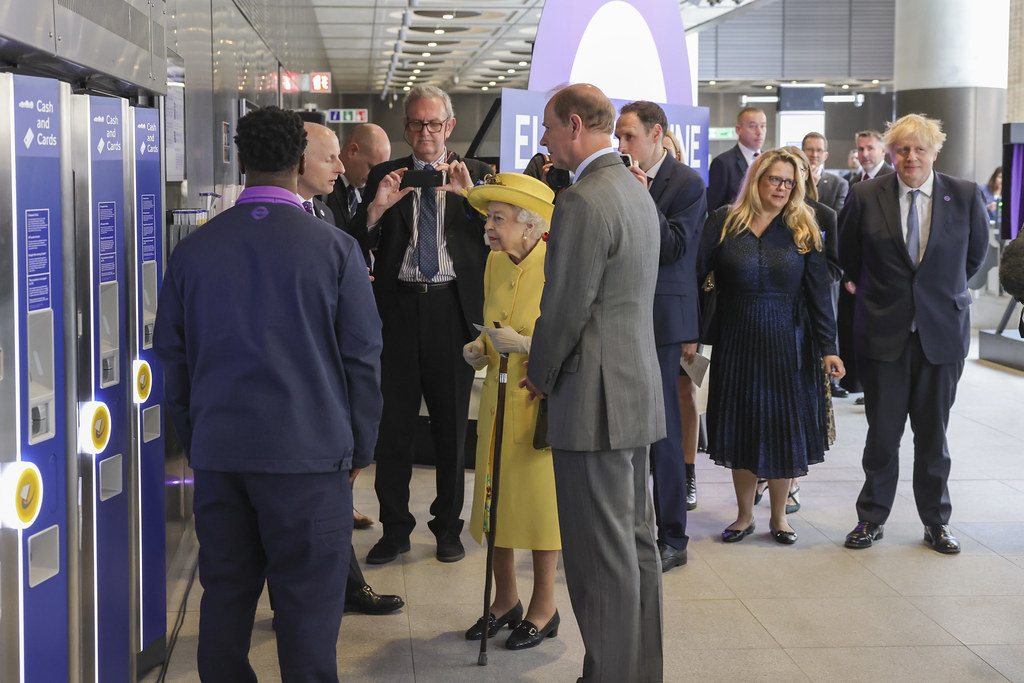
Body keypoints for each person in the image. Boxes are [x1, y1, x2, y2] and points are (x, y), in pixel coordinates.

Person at [153, 106, 383, 681]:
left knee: (225, 600)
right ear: (300, 160)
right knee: (307, 616)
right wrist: (358, 448)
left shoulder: (193, 253)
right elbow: (362, 358)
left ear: (239, 157)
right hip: (310, 460)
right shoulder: (334, 251)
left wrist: (201, 437)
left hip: (222, 455)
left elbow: (173, 361)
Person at [524, 83, 664, 683]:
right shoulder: (636, 191)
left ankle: (609, 674)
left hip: (592, 401)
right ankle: (637, 670)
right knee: (636, 548)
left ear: (575, 125)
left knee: (599, 560)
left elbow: (565, 309)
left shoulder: (583, 199)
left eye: (550, 128)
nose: (545, 139)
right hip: (634, 392)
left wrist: (539, 373)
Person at [351, 85, 492, 565]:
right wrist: (376, 209)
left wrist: (473, 202)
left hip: (451, 311)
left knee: (452, 428)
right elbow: (354, 244)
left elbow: (499, 242)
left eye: (434, 124)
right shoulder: (384, 176)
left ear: (449, 127)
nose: (425, 133)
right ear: (406, 128)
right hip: (397, 312)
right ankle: (395, 528)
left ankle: (448, 527)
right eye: (416, 124)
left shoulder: (477, 176)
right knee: (394, 428)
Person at [839, 114, 988, 554]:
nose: (910, 157)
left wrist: (935, 293)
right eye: (902, 149)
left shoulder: (962, 195)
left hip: (941, 335)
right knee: (882, 435)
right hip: (884, 334)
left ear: (934, 152)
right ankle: (871, 519)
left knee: (932, 436)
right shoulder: (866, 195)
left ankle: (936, 523)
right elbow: (849, 255)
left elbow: (975, 256)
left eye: (919, 149)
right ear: (891, 153)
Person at [698, 148, 844, 546]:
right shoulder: (723, 222)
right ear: (757, 180)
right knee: (741, 424)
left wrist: (829, 347)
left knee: (783, 427)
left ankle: (779, 516)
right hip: (736, 338)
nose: (782, 188)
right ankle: (744, 515)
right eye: (775, 179)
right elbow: (697, 279)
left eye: (789, 182)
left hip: (790, 341)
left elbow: (819, 294)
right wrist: (689, 334)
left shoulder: (803, 227)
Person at [295, 121, 405, 616]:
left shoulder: (320, 209)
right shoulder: (301, 224)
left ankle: (336, 588)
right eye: (330, 159)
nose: (340, 169)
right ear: (300, 162)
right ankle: (326, 596)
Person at [457, 173, 562, 651]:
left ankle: (545, 606)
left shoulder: (558, 264)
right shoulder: (495, 262)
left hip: (537, 399)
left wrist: (532, 347)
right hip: (498, 400)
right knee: (493, 500)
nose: (490, 227)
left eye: (498, 219)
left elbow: (571, 333)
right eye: (489, 218)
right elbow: (491, 319)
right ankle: (505, 600)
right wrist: (478, 347)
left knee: (539, 508)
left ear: (530, 224)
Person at [616, 100, 707, 572]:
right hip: (618, 314)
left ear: (656, 134)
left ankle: (673, 534)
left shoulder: (687, 183)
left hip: (664, 320)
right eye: (617, 136)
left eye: (628, 136)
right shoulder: (615, 175)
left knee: (663, 429)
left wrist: (639, 198)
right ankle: (626, 528)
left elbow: (673, 247)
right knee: (624, 428)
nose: (620, 145)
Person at [839, 130, 894, 401]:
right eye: (860, 149)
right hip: (860, 274)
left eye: (870, 148)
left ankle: (877, 390)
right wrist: (850, 271)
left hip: (885, 276)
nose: (865, 154)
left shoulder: (893, 181)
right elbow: (849, 232)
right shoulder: (854, 181)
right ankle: (864, 386)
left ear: (883, 151)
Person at [324, 122, 392, 264]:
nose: (373, 177)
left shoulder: (369, 192)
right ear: (352, 151)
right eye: (371, 168)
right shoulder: (323, 190)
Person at [707, 106, 766, 211]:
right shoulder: (723, 163)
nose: (759, 132)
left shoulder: (770, 161)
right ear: (738, 130)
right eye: (753, 126)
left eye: (763, 126)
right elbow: (714, 207)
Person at [802, 132, 849, 214]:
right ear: (802, 153)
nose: (814, 154)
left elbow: (837, 219)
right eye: (810, 149)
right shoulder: (791, 180)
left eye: (819, 150)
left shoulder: (839, 185)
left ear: (825, 156)